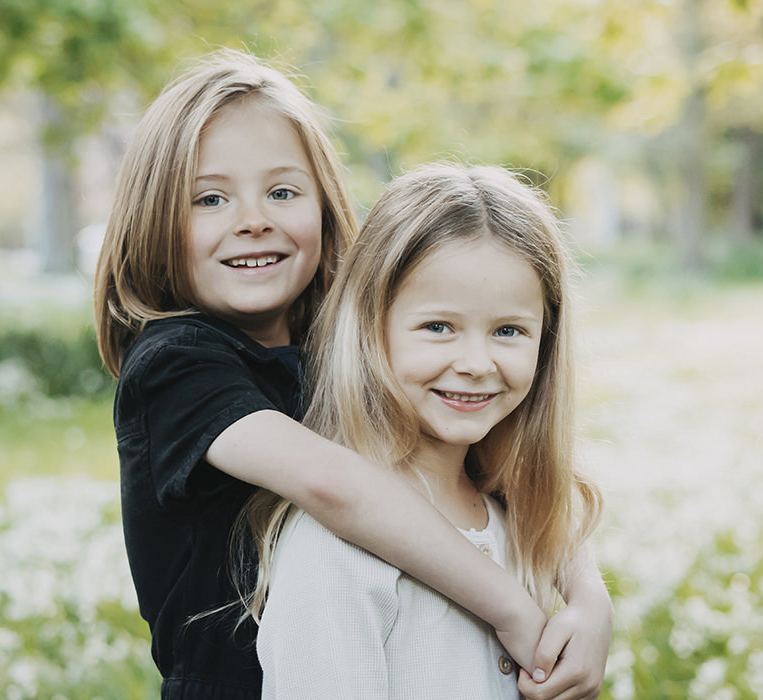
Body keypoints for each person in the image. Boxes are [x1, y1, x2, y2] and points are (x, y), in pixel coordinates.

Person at [94, 48, 611, 700]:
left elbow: (512, 469)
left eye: (282, 192)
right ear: (154, 214)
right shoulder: (175, 365)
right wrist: (514, 611)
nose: (253, 219)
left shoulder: (336, 340)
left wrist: (587, 597)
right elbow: (334, 484)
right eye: (210, 198)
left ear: (323, 202)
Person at [250, 162, 604, 699]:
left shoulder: (518, 520)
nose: (476, 362)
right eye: (438, 327)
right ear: (372, 329)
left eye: (509, 331)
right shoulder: (333, 551)